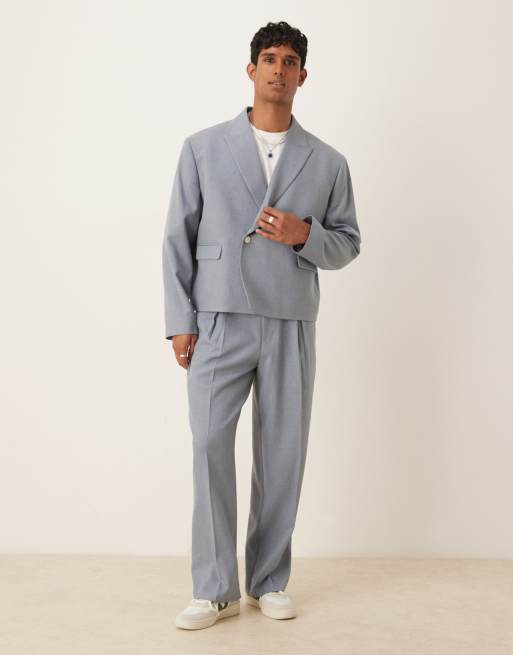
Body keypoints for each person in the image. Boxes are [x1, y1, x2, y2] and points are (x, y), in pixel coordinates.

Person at [162, 20, 362, 631]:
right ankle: (214, 588)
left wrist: (305, 235)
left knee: (282, 454)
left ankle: (269, 579)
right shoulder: (202, 147)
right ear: (252, 70)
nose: (279, 69)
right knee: (207, 446)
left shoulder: (328, 161)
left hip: (289, 320)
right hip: (217, 318)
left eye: (290, 61)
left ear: (303, 75)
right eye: (270, 59)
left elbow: (348, 243)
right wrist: (180, 320)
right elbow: (177, 237)